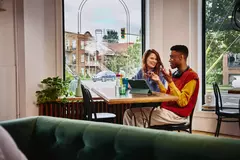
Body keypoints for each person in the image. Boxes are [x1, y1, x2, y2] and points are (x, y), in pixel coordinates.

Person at [123, 45, 199, 128]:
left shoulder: (192, 76)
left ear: (181, 57)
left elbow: (182, 102)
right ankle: (129, 139)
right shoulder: (175, 75)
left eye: (172, 57)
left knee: (139, 118)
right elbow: (168, 95)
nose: (169, 60)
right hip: (166, 110)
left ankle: (142, 140)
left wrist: (170, 82)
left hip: (177, 115)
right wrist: (158, 81)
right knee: (129, 113)